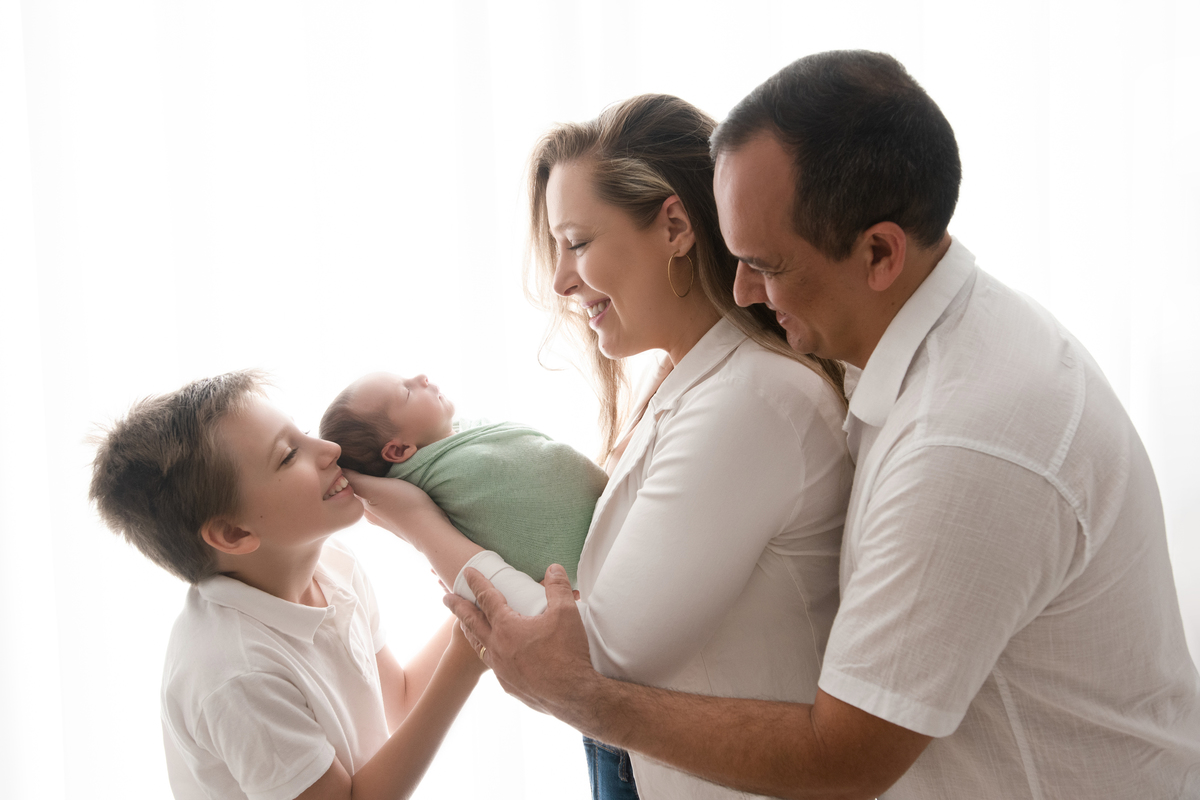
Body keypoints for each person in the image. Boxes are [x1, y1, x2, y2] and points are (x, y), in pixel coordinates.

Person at [446, 50, 1200, 800]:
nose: (741, 287)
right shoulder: (906, 348)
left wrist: (579, 694)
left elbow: (845, 756)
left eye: (767, 264)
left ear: (879, 253)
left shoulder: (964, 437)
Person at [346, 94, 854, 800]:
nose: (560, 280)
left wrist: (420, 525)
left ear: (674, 226)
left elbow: (592, 661)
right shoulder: (691, 386)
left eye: (577, 242)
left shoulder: (749, 403)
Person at [88, 370, 488, 800]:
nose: (331, 449)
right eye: (287, 456)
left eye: (306, 433)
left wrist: (483, 602)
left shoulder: (335, 568)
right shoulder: (235, 673)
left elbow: (402, 699)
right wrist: (468, 656)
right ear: (235, 534)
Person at [319, 370, 606, 584]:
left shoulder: (459, 433)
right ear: (399, 450)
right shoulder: (427, 482)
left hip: (607, 518)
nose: (421, 377)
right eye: (406, 392)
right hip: (593, 554)